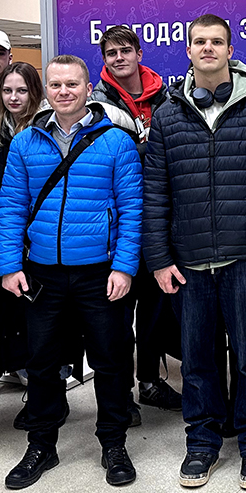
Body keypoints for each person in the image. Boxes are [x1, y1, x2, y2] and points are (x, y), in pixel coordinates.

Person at [144, 14, 246, 490]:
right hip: (188, 262)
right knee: (197, 359)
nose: (208, 48)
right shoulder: (168, 115)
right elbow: (155, 192)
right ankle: (202, 442)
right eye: (199, 42)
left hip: (244, 259)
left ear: (230, 50)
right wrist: (159, 259)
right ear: (187, 51)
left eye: (217, 41)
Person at [0, 54, 143, 489]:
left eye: (72, 85)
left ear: (87, 89)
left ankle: (113, 443)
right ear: (46, 90)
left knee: (110, 361)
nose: (64, 92)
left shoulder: (115, 141)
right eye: (56, 85)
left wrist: (124, 267)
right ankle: (41, 444)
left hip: (100, 273)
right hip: (42, 274)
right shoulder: (26, 142)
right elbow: (11, 208)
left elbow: (132, 210)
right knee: (42, 363)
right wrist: (9, 265)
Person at [92, 25, 182, 416]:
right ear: (104, 59)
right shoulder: (94, 104)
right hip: (116, 222)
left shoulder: (168, 96)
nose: (119, 58)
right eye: (111, 53)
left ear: (139, 53)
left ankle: (149, 380)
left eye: (125, 50)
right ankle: (120, 394)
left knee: (154, 309)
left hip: (160, 219)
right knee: (115, 313)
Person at [0, 62, 44, 408]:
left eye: (22, 90)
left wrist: (21, 196)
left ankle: (37, 370)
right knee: (1, 306)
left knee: (35, 309)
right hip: (5, 235)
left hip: (41, 236)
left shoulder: (46, 133)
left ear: (35, 93)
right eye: (8, 90)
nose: (14, 97)